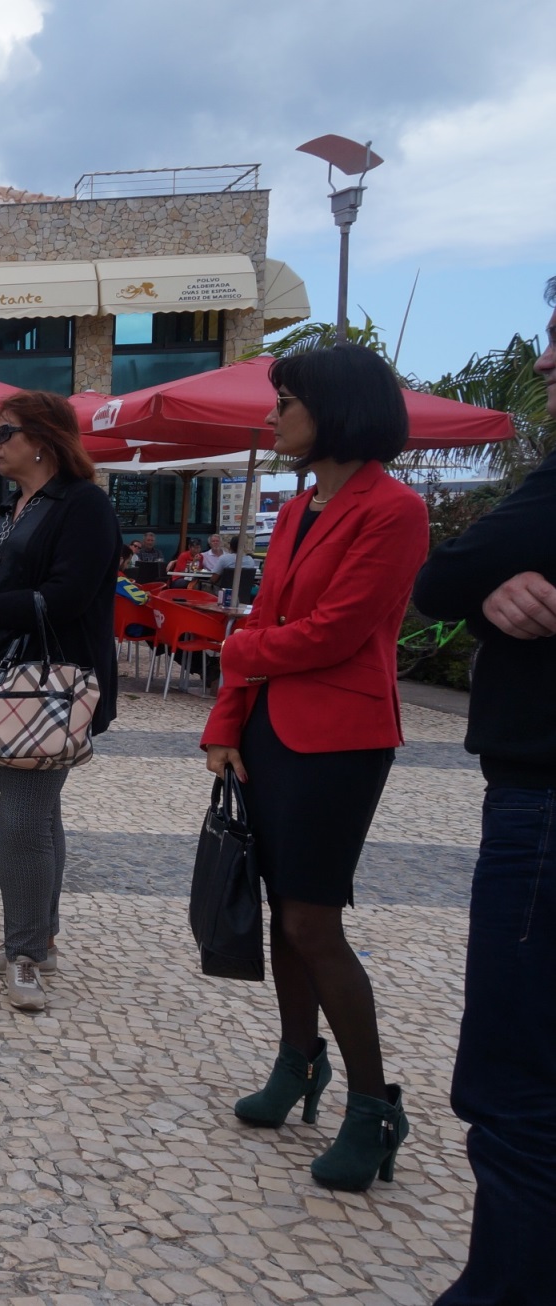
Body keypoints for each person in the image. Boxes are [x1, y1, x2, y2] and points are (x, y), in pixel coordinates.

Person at [200, 344, 427, 1193]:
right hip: (268, 730)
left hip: (340, 739)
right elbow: (265, 620)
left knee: (311, 921)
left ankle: (373, 1107)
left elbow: (335, 631)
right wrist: (224, 722)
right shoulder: (298, 508)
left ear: (333, 412)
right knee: (277, 909)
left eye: (284, 403)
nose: (271, 417)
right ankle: (297, 1063)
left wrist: (238, 651)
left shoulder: (393, 510)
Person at [412, 280, 556, 1301]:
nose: (543, 361)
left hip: (541, 802)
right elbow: (460, 580)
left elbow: (445, 573)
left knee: (518, 1078)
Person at [0, 391, 122, 1012]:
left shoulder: (83, 505)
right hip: (2, 680)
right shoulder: (9, 508)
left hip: (50, 684)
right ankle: (40, 940)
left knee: (24, 815)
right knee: (39, 813)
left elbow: (68, 595)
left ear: (43, 440)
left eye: (5, 433)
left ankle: (23, 953)